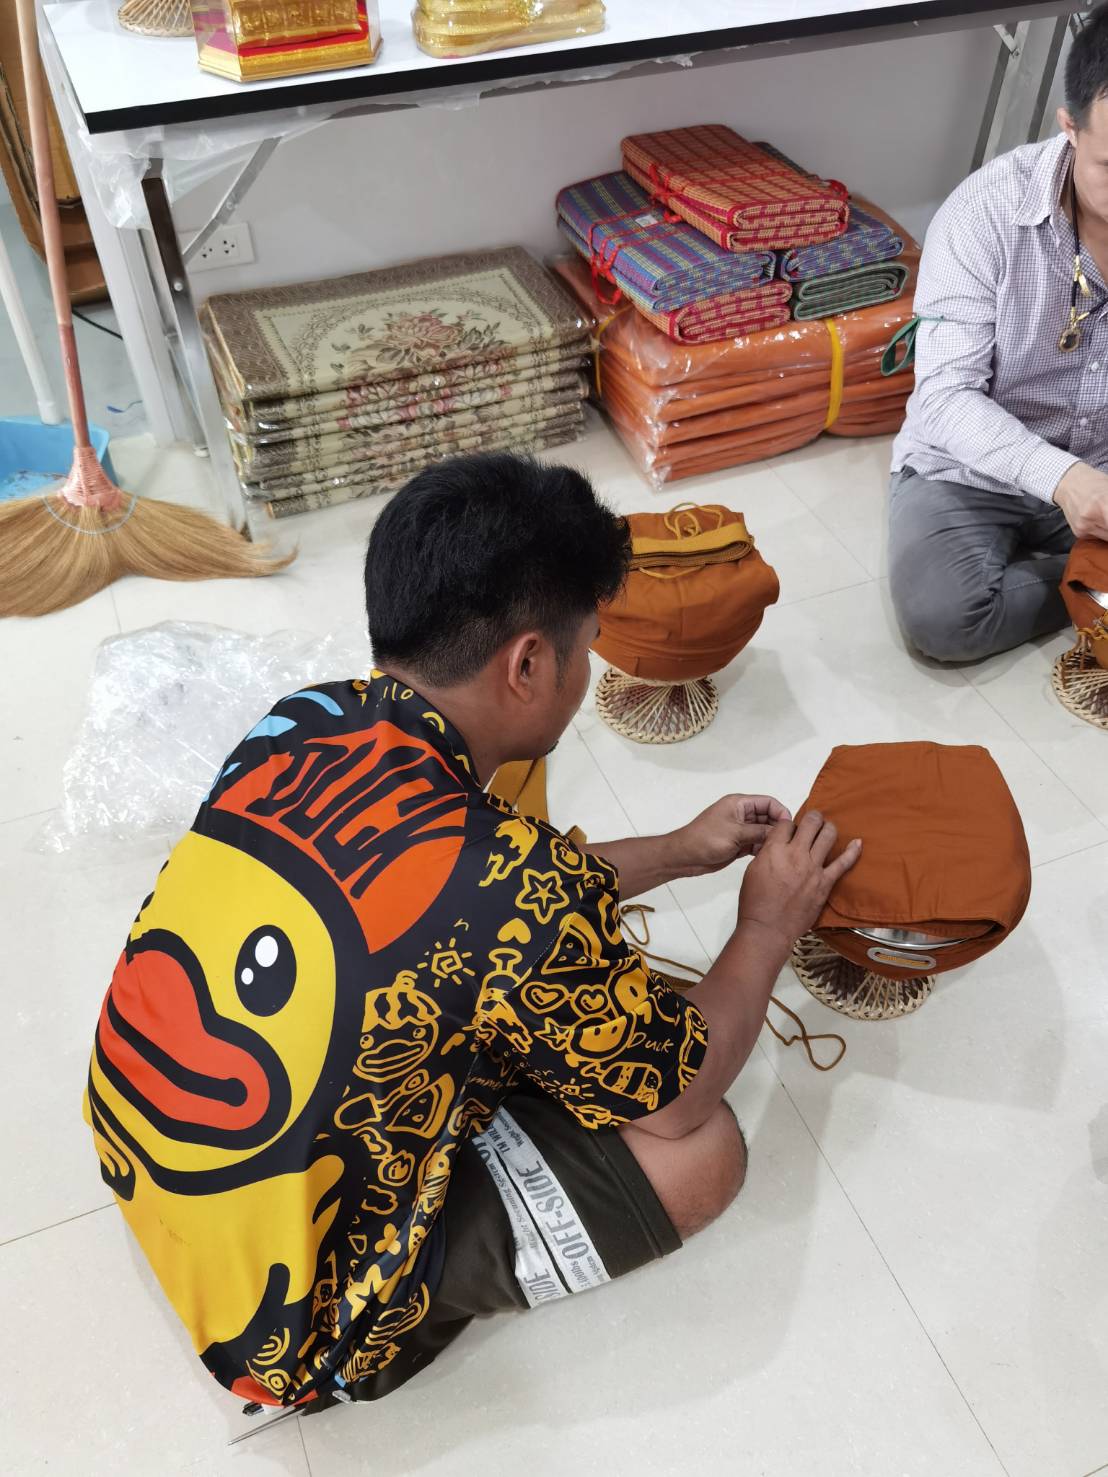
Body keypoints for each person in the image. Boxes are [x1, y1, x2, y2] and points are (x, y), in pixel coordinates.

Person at [84, 452, 859, 1415]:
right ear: (529, 664)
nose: (587, 672)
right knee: (705, 1156)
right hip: (279, 1324)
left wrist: (670, 849)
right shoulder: (517, 890)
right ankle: (356, 1351)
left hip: (149, 1152)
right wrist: (768, 923)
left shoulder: (308, 719)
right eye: (585, 648)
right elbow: (680, 1092)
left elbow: (445, 899)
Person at [889, 3, 1108, 663]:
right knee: (944, 615)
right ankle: (1080, 579)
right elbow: (947, 397)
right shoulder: (984, 212)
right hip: (973, 469)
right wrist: (1064, 480)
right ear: (1069, 129)